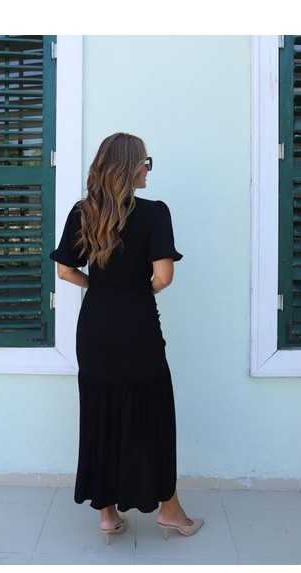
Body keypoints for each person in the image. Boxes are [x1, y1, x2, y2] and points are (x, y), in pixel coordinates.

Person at [50, 132, 204, 544]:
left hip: (95, 326)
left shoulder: (83, 212)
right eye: (145, 162)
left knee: (101, 412)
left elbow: (64, 270)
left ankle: (107, 514)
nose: (148, 169)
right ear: (131, 166)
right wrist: (136, 292)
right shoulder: (154, 212)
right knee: (150, 413)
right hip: (137, 326)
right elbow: (163, 277)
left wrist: (101, 288)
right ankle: (169, 511)